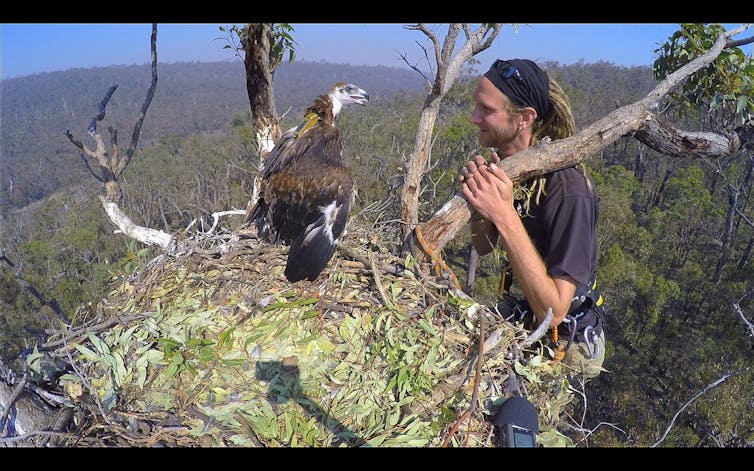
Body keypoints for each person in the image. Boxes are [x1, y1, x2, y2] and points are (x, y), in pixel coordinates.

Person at [458, 59, 606, 381]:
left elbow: (553, 313)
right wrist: (480, 202)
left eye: (486, 110)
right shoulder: (514, 168)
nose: (474, 118)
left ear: (525, 118)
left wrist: (503, 213)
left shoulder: (569, 189)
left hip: (563, 349)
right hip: (523, 321)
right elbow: (483, 246)